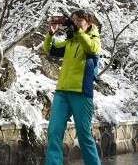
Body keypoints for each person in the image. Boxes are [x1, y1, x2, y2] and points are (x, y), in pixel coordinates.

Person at [42, 9, 102, 165]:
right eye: (73, 20)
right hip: (62, 92)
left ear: (89, 23)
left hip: (81, 93)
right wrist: (51, 33)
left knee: (84, 135)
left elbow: (92, 49)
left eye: (79, 20)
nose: (75, 23)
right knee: (54, 131)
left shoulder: (94, 39)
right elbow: (49, 49)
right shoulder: (70, 41)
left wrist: (79, 33)